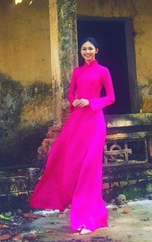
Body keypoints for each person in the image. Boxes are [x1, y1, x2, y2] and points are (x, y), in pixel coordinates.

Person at [30, 37, 115, 235]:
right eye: (84, 49)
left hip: (94, 121)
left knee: (90, 169)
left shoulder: (103, 71)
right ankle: (55, 198)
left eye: (90, 48)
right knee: (61, 156)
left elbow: (111, 97)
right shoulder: (78, 71)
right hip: (77, 121)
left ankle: (88, 219)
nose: (87, 52)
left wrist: (91, 102)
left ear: (96, 50)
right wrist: (74, 101)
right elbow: (71, 93)